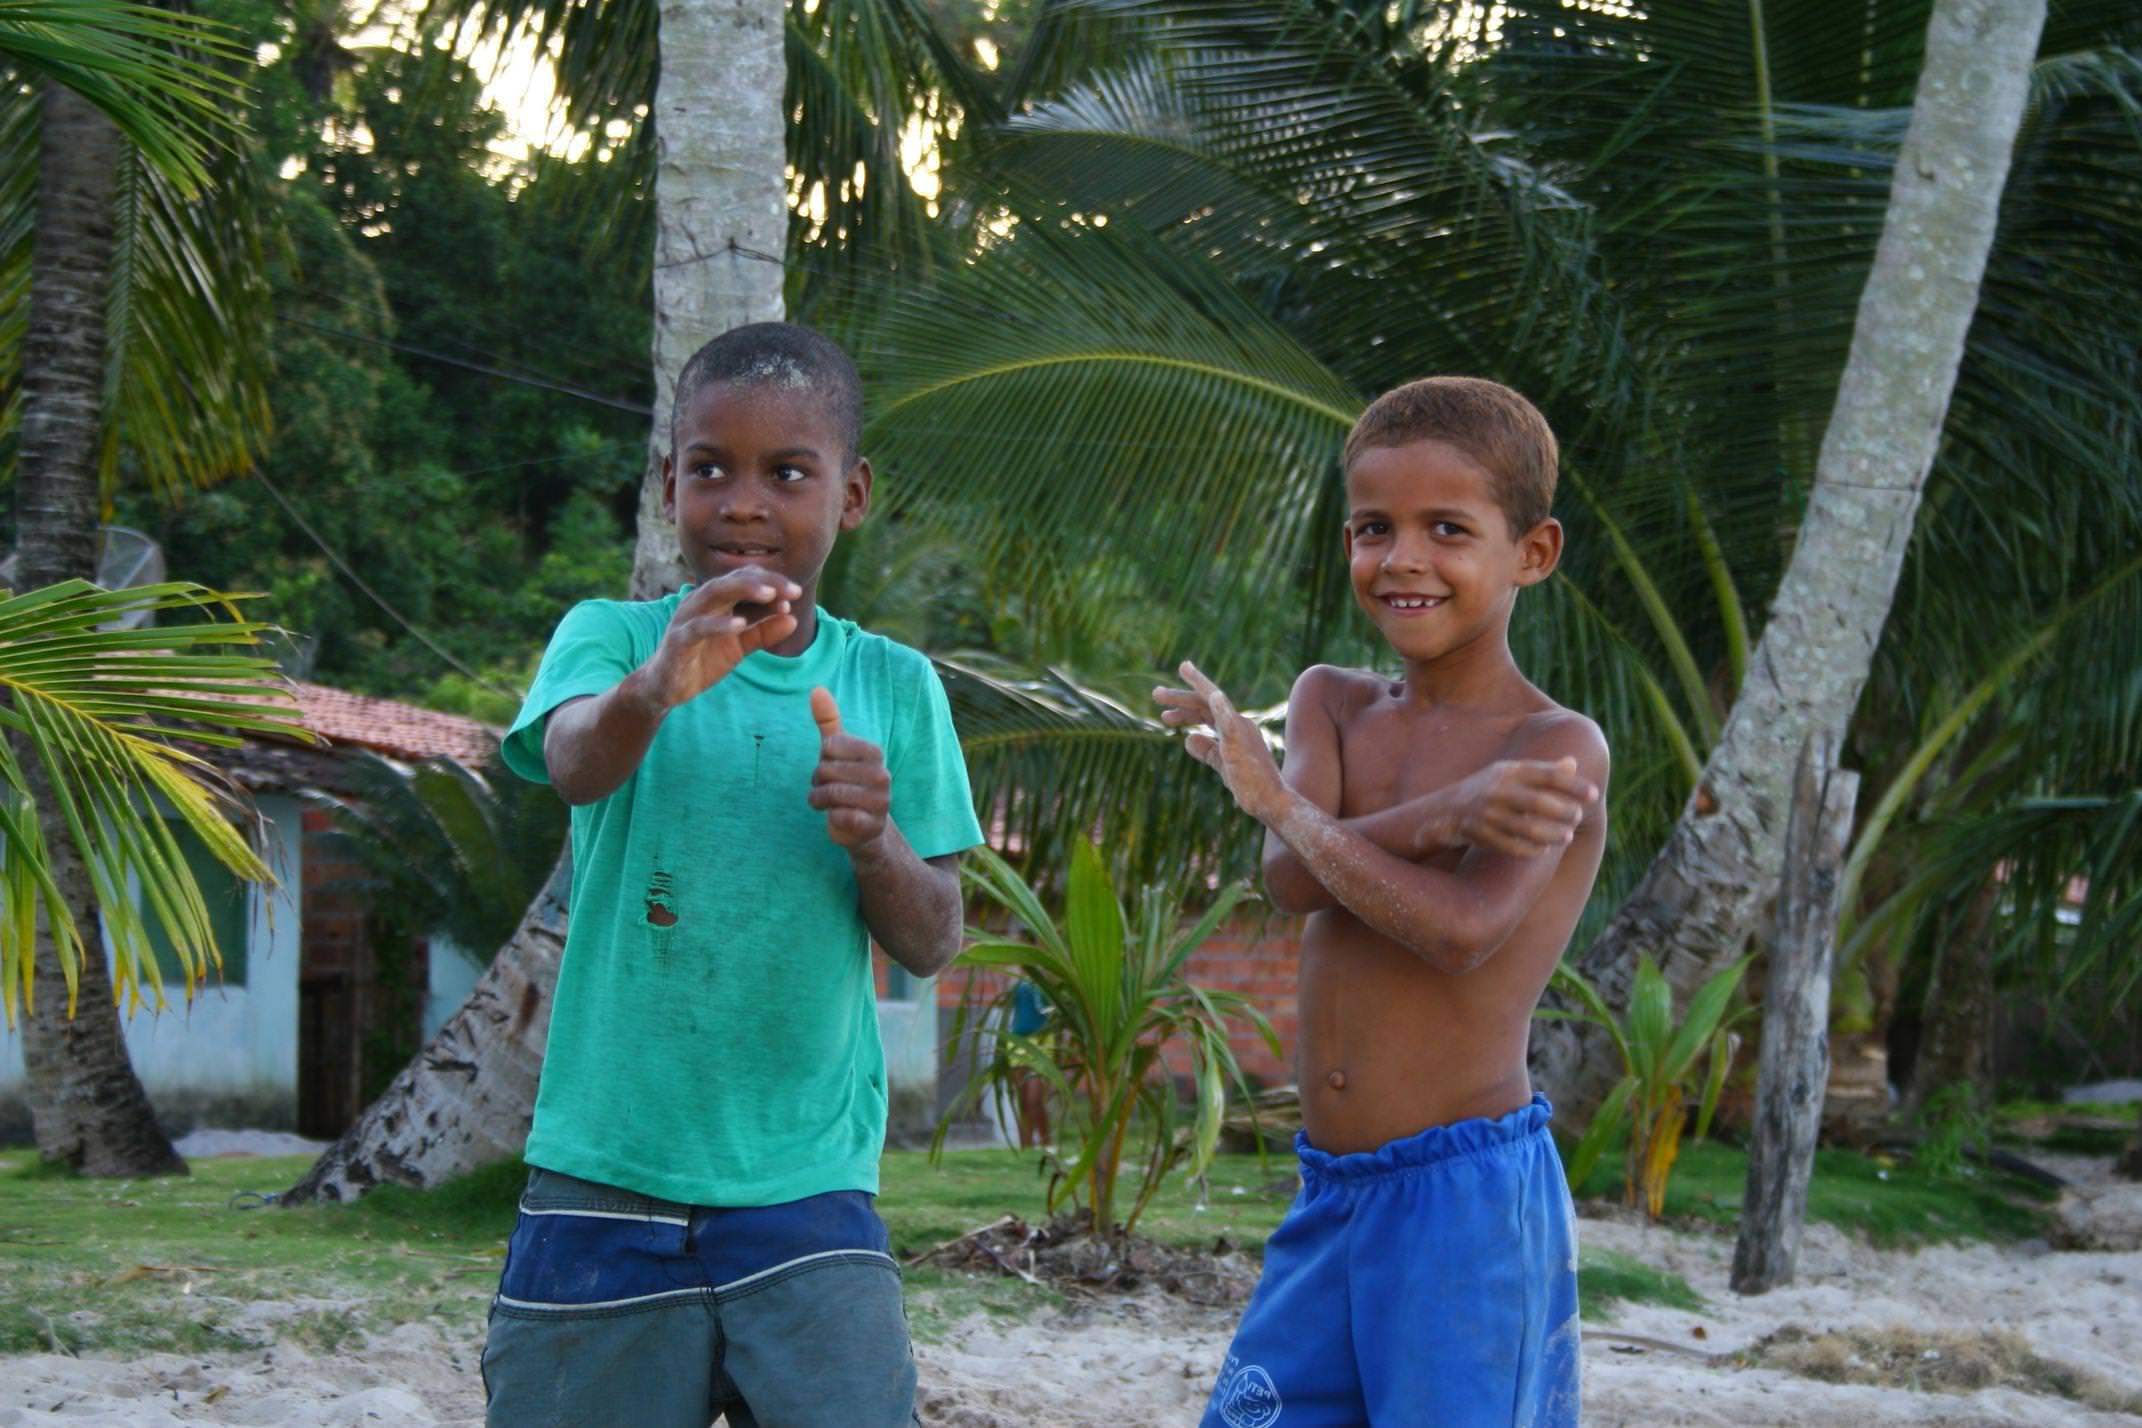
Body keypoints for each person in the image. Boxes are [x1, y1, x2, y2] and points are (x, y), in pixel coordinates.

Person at [483, 322, 983, 1428]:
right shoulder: (610, 640)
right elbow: (571, 764)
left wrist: (875, 841)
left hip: (805, 1189)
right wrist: (657, 686)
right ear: (668, 486)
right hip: (605, 1173)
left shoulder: (895, 688)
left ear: (849, 497)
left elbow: (935, 936)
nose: (743, 503)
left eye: (787, 473)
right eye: (709, 468)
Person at [1155, 376, 1608, 1428]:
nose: (1401, 558)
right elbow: (1290, 877)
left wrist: (1282, 805)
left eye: (1447, 529)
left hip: (1466, 1199)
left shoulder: (1553, 747)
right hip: (1332, 1192)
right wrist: (1444, 811)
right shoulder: (1333, 702)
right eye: (1372, 528)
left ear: (1531, 554)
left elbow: (1460, 932)